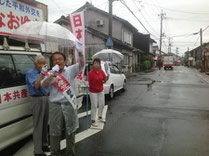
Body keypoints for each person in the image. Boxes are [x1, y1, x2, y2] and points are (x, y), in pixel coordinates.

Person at [41, 51, 84, 156]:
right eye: (55, 59)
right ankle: (54, 153)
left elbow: (82, 64)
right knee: (54, 131)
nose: (57, 61)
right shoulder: (50, 73)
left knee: (70, 130)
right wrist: (52, 75)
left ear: (64, 61)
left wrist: (80, 54)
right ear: (52, 62)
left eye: (60, 59)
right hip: (55, 105)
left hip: (69, 104)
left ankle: (70, 153)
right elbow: (43, 85)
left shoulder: (70, 70)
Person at [26, 55, 50, 156]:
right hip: (36, 99)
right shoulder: (30, 73)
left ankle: (44, 144)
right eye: (39, 63)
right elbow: (36, 86)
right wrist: (42, 74)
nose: (41, 65)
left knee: (45, 123)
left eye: (43, 63)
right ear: (35, 64)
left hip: (46, 97)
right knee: (38, 125)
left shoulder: (46, 73)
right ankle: (37, 151)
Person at [88, 58, 109, 127]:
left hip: (100, 90)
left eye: (97, 63)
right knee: (94, 105)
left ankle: (100, 117)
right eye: (95, 63)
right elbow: (88, 81)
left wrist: (107, 77)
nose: (96, 65)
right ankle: (93, 120)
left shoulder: (101, 71)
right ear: (93, 64)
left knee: (102, 104)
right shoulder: (90, 73)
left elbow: (104, 80)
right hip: (93, 91)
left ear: (99, 64)